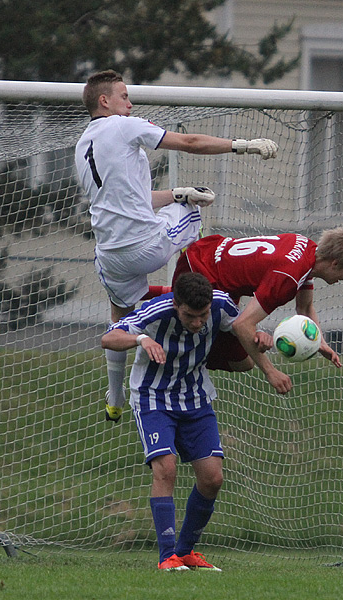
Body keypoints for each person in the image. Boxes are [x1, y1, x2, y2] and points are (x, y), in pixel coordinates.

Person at [75, 69, 279, 422]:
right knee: (192, 212)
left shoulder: (82, 145)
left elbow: (133, 201)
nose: (131, 103)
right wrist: (241, 146)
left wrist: (176, 192)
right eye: (124, 96)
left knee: (120, 318)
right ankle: (203, 309)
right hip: (147, 245)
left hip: (110, 257)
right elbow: (189, 143)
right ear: (104, 101)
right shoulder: (123, 126)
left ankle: (115, 395)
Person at [101, 272, 239, 572]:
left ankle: (186, 551)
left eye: (202, 316)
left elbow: (242, 325)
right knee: (166, 469)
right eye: (190, 315)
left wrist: (261, 339)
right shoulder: (156, 311)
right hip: (153, 399)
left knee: (213, 478)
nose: (198, 323)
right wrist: (141, 338)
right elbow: (108, 338)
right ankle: (167, 557)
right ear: (176, 304)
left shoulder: (221, 305)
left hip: (196, 399)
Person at [170, 226, 343, 395]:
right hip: (201, 272)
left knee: (245, 344)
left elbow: (305, 306)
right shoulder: (287, 277)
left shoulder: (308, 249)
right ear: (335, 263)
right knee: (244, 362)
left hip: (209, 254)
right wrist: (271, 372)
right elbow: (242, 325)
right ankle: (178, 356)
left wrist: (319, 341)